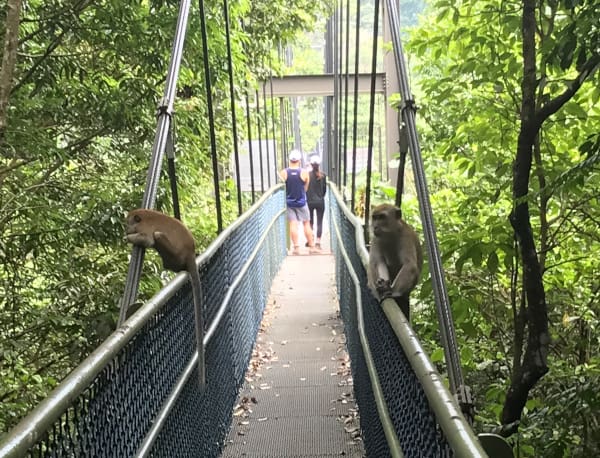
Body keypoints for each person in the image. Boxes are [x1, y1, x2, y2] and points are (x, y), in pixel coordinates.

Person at [279, 150, 319, 255]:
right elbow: (306, 187)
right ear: (299, 160)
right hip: (301, 202)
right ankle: (312, 246)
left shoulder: (284, 173)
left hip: (289, 203)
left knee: (293, 223)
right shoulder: (304, 172)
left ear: (290, 160)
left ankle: (296, 248)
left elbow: (281, 188)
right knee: (306, 223)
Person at [306, 154, 327, 249]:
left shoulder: (307, 175)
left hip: (309, 201)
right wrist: (321, 197)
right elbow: (324, 190)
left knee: (310, 222)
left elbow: (305, 189)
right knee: (320, 222)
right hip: (320, 202)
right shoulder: (323, 175)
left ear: (311, 164)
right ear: (319, 164)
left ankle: (311, 240)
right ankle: (318, 242)